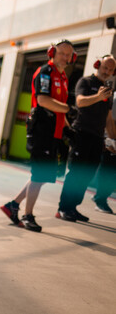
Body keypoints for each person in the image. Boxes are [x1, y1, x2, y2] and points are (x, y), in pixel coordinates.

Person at [0, 40, 75, 232]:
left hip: (54, 132)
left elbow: (59, 108)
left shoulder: (63, 77)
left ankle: (13, 205)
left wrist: (68, 128)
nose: (65, 57)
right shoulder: (45, 72)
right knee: (39, 175)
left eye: (69, 54)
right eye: (62, 53)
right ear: (52, 53)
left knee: (42, 176)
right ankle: (28, 215)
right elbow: (43, 100)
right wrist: (68, 109)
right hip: (42, 130)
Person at [56, 55, 115, 222]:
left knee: (87, 174)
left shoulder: (108, 91)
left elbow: (108, 119)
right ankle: (63, 208)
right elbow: (80, 102)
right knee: (76, 173)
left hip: (97, 138)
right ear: (97, 65)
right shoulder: (86, 82)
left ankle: (73, 208)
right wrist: (98, 96)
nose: (107, 72)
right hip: (82, 134)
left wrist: (113, 140)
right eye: (105, 67)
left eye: (111, 70)